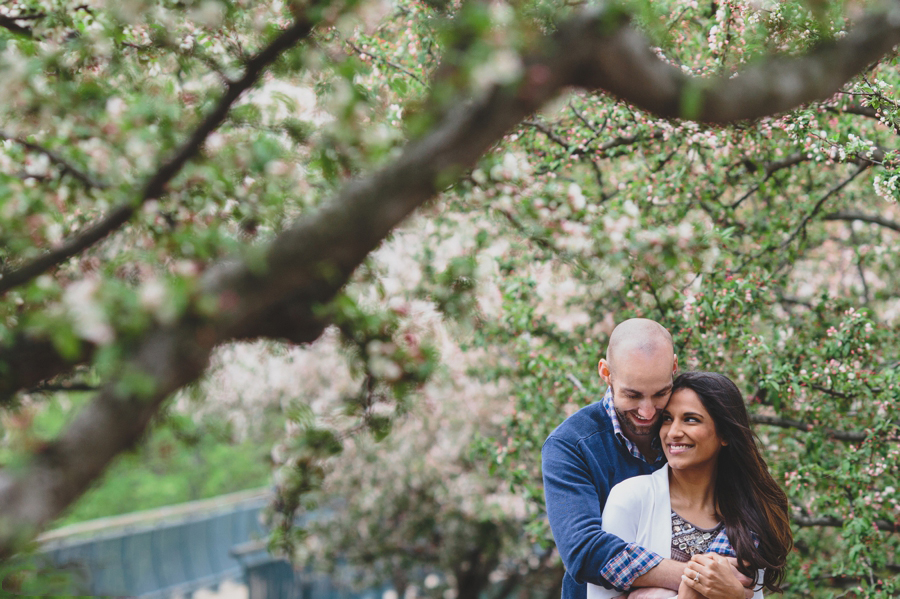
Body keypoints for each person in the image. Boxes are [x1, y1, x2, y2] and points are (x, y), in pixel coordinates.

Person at [586, 372, 793, 599]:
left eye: (691, 419)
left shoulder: (749, 520)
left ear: (725, 434)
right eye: (667, 419)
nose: (673, 432)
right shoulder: (630, 498)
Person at [543, 318, 689, 599]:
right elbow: (584, 551)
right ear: (606, 373)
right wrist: (696, 578)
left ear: (673, 367)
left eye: (661, 393)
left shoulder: (695, 432)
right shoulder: (570, 445)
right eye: (632, 395)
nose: (647, 412)